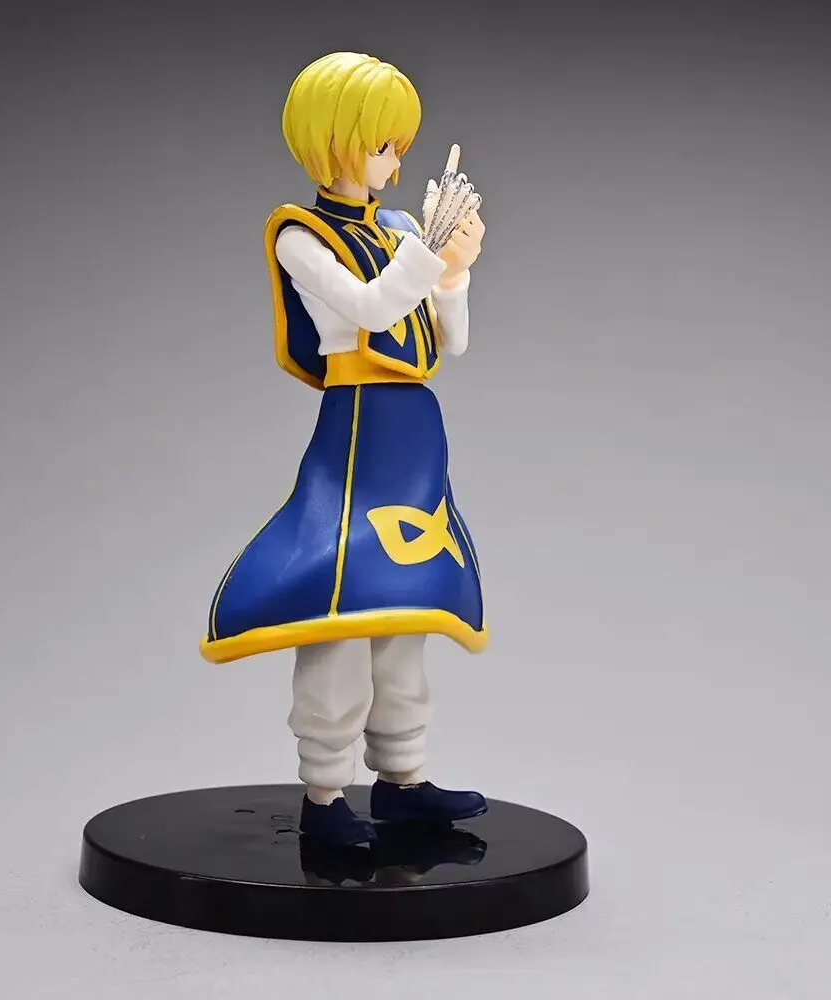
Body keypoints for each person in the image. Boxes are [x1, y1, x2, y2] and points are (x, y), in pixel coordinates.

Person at [201, 51, 489, 846]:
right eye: (382, 143)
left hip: (413, 431)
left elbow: (449, 342)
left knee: (407, 603)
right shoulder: (301, 236)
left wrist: (455, 275)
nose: (393, 162)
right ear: (333, 140)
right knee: (340, 602)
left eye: (399, 145)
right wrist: (429, 258)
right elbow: (369, 309)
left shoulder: (400, 232)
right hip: (357, 427)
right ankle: (325, 795)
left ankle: (404, 777)